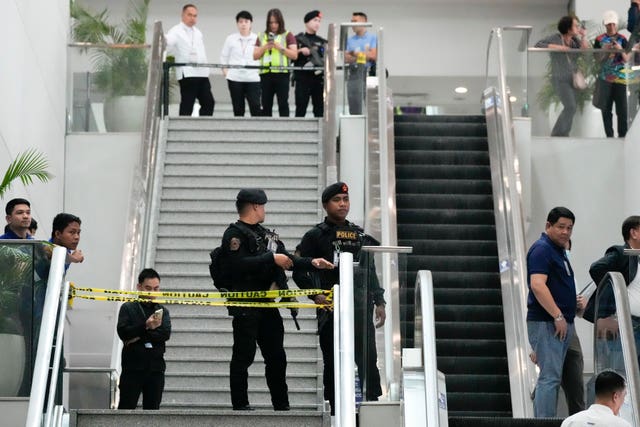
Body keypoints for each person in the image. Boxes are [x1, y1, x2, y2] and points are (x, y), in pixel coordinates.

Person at [219, 188, 333, 411]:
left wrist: (312, 263)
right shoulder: (234, 235)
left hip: (268, 306)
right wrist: (271, 258)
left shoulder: (264, 234)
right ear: (254, 206)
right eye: (262, 206)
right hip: (245, 306)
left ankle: (282, 406)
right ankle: (240, 405)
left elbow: (288, 258)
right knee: (243, 356)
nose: (264, 210)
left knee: (277, 358)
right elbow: (237, 265)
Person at [292, 182, 386, 415]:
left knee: (368, 361)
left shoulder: (358, 234)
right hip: (331, 309)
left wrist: (380, 301)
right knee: (333, 361)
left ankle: (372, 409)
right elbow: (298, 270)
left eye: (345, 200)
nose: (343, 204)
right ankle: (335, 412)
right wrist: (315, 294)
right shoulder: (314, 236)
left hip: (360, 307)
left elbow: (369, 270)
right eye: (337, 200)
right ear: (326, 205)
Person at [527, 206, 577, 418]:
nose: (565, 232)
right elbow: (538, 285)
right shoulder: (542, 249)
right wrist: (557, 315)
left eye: (569, 228)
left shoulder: (559, 251)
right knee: (550, 377)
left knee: (552, 377)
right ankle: (543, 422)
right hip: (548, 322)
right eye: (561, 227)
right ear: (548, 225)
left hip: (559, 322)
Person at [530, 238, 585, 415]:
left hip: (569, 328)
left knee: (574, 379)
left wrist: (579, 305)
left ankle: (577, 419)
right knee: (550, 376)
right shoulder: (543, 258)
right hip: (550, 325)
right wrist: (534, 346)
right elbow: (535, 295)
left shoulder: (568, 272)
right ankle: (543, 419)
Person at [587, 216, 640, 369]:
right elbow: (596, 268)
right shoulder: (621, 253)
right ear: (634, 233)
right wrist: (613, 306)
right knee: (619, 371)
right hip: (627, 323)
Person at [117, 268, 171, 410]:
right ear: (139, 287)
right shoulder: (128, 308)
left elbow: (165, 334)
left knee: (152, 411)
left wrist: (139, 334)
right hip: (132, 367)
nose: (152, 293)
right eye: (148, 288)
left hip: (156, 368)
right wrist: (146, 326)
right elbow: (123, 332)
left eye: (156, 289)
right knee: (126, 408)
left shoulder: (162, 311)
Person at [535, 16, 590, 137]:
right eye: (575, 25)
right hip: (560, 78)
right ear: (568, 28)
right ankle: (557, 133)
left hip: (573, 79)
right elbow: (538, 44)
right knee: (570, 106)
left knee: (572, 108)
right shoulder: (556, 38)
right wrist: (559, 48)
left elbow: (585, 53)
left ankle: (564, 134)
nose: (577, 28)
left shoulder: (575, 41)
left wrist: (584, 36)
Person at [166, 4, 215, 116]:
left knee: (209, 102)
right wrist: (163, 40)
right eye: (190, 15)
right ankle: (182, 130)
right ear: (183, 15)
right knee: (188, 104)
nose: (192, 18)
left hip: (202, 73)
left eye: (195, 16)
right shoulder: (176, 30)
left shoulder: (198, 32)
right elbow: (169, 41)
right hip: (187, 73)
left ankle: (203, 128)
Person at [253, 8, 298, 117]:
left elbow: (294, 55)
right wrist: (265, 47)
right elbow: (255, 56)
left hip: (282, 74)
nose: (273, 25)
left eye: (276, 22)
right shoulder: (261, 35)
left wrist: (280, 47)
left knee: (283, 103)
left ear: (280, 22)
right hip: (266, 74)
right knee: (266, 104)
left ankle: (285, 129)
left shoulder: (288, 35)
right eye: (271, 22)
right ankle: (266, 130)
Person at [593, 11, 629, 138]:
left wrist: (619, 49)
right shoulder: (599, 40)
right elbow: (597, 60)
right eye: (609, 24)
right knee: (606, 110)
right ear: (605, 24)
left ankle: (623, 136)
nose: (611, 26)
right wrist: (605, 50)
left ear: (617, 24)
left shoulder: (623, 39)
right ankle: (609, 136)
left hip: (620, 78)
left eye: (613, 24)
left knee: (622, 110)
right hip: (604, 79)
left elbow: (626, 59)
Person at [220, 11, 261, 117]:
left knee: (255, 106)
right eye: (240, 21)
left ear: (251, 23)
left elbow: (262, 57)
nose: (243, 24)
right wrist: (226, 73)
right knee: (238, 108)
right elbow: (224, 57)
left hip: (253, 78)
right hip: (235, 78)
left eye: (246, 21)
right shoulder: (231, 38)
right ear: (237, 24)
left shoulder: (258, 38)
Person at [560, 370, 631, 427]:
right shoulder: (622, 425)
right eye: (623, 397)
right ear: (615, 397)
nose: (623, 401)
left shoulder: (569, 422)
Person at [294, 10, 326, 117]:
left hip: (318, 79)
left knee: (319, 109)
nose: (317, 23)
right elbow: (290, 56)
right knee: (300, 108)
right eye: (315, 20)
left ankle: (321, 133)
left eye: (319, 21)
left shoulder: (322, 41)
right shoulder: (297, 39)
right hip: (302, 79)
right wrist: (300, 51)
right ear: (306, 22)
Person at [345, 12, 377, 115]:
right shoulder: (349, 40)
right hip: (354, 74)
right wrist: (363, 55)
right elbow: (346, 58)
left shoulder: (372, 38)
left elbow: (373, 56)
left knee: (370, 106)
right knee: (354, 106)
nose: (352, 24)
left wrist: (354, 53)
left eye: (355, 21)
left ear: (364, 22)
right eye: (351, 22)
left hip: (369, 73)